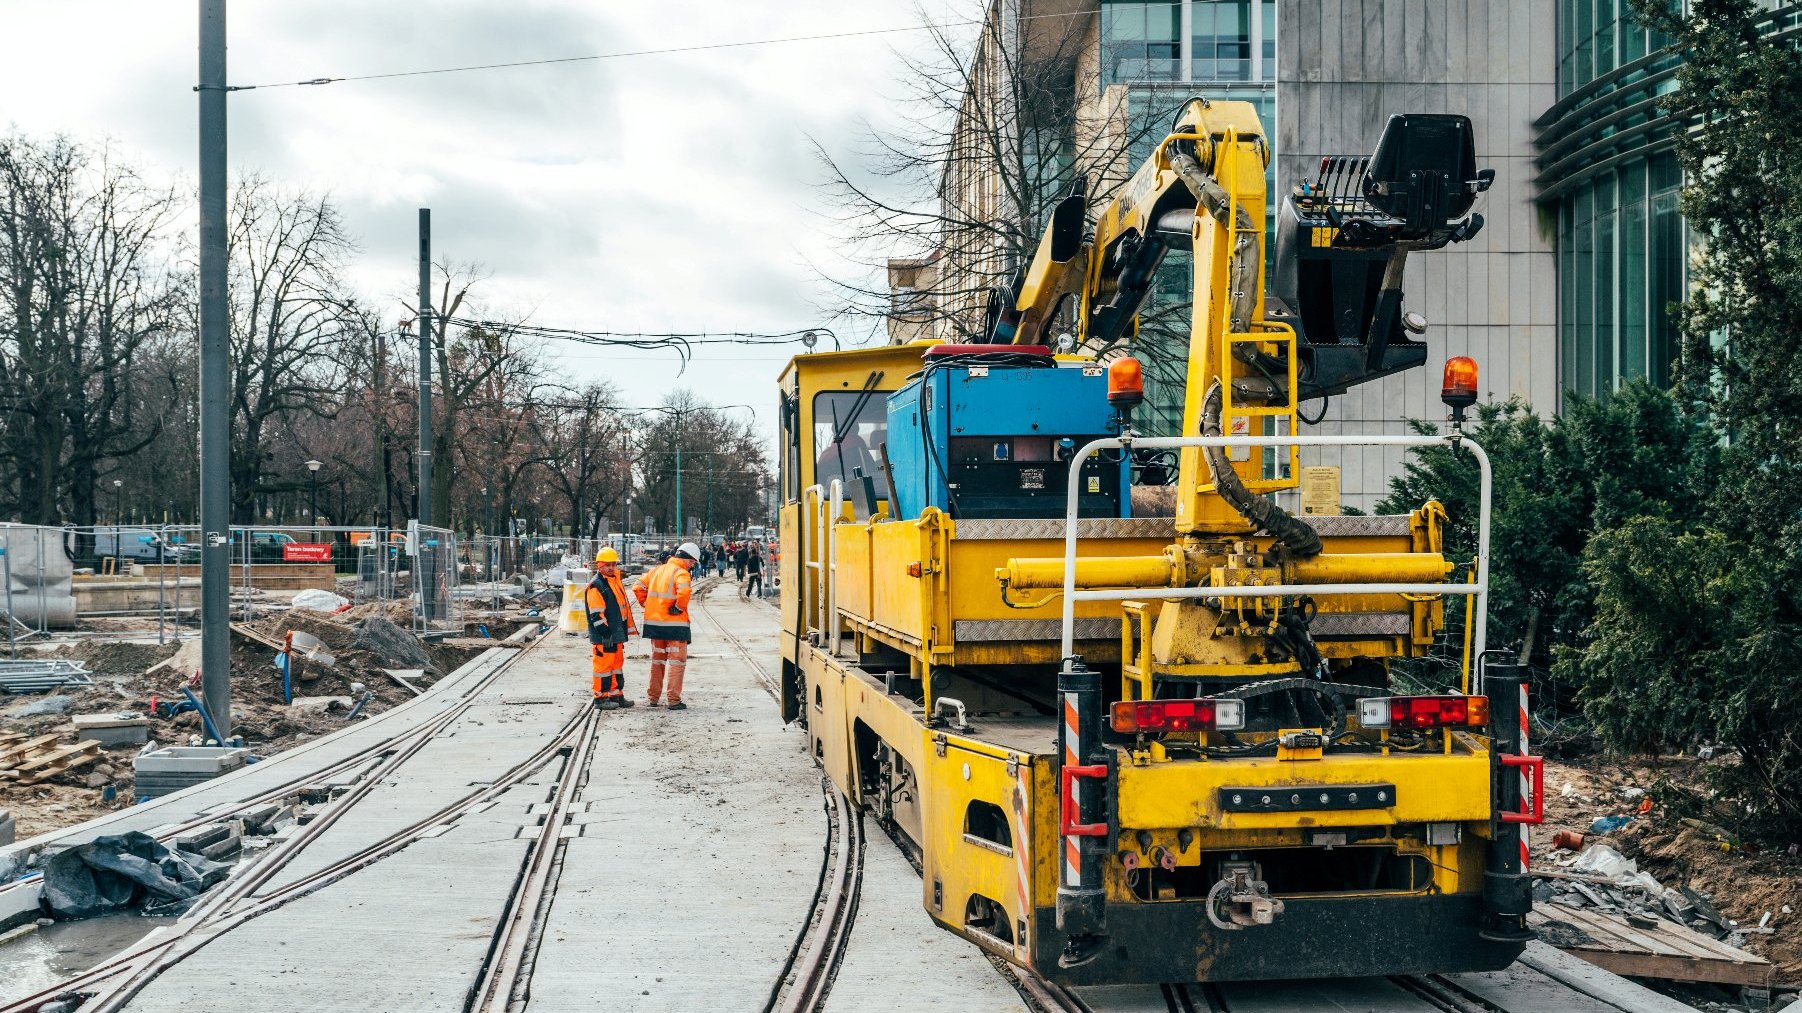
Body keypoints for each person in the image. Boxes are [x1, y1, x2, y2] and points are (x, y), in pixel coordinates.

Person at [635, 540, 699, 710]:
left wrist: (647, 604)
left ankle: (653, 698)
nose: (692, 566)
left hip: (655, 626)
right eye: (692, 562)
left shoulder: (657, 570)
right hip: (675, 627)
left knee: (658, 662)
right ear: (686, 559)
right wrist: (678, 607)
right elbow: (684, 591)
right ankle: (673, 700)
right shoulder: (682, 573)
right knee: (677, 663)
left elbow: (637, 586)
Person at [583, 547, 637, 710]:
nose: (611, 568)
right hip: (605, 635)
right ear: (599, 565)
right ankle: (600, 698)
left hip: (615, 634)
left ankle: (616, 695)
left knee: (616, 666)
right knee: (604, 667)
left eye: (613, 564)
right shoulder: (596, 585)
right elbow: (596, 614)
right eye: (607, 565)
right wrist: (605, 633)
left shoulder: (613, 581)